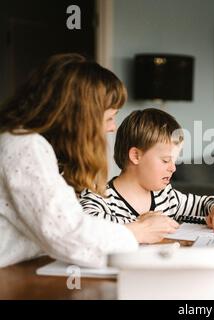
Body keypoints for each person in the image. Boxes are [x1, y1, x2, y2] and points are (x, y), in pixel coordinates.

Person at [0, 54, 179, 268]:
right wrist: (138, 231)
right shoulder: (24, 146)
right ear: (80, 118)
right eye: (109, 118)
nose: (112, 127)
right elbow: (67, 234)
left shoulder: (42, 149)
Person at [80, 108, 214, 231]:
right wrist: (143, 224)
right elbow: (89, 228)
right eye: (165, 160)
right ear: (136, 156)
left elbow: (205, 202)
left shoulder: (165, 196)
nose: (173, 167)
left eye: (174, 160)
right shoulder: (98, 197)